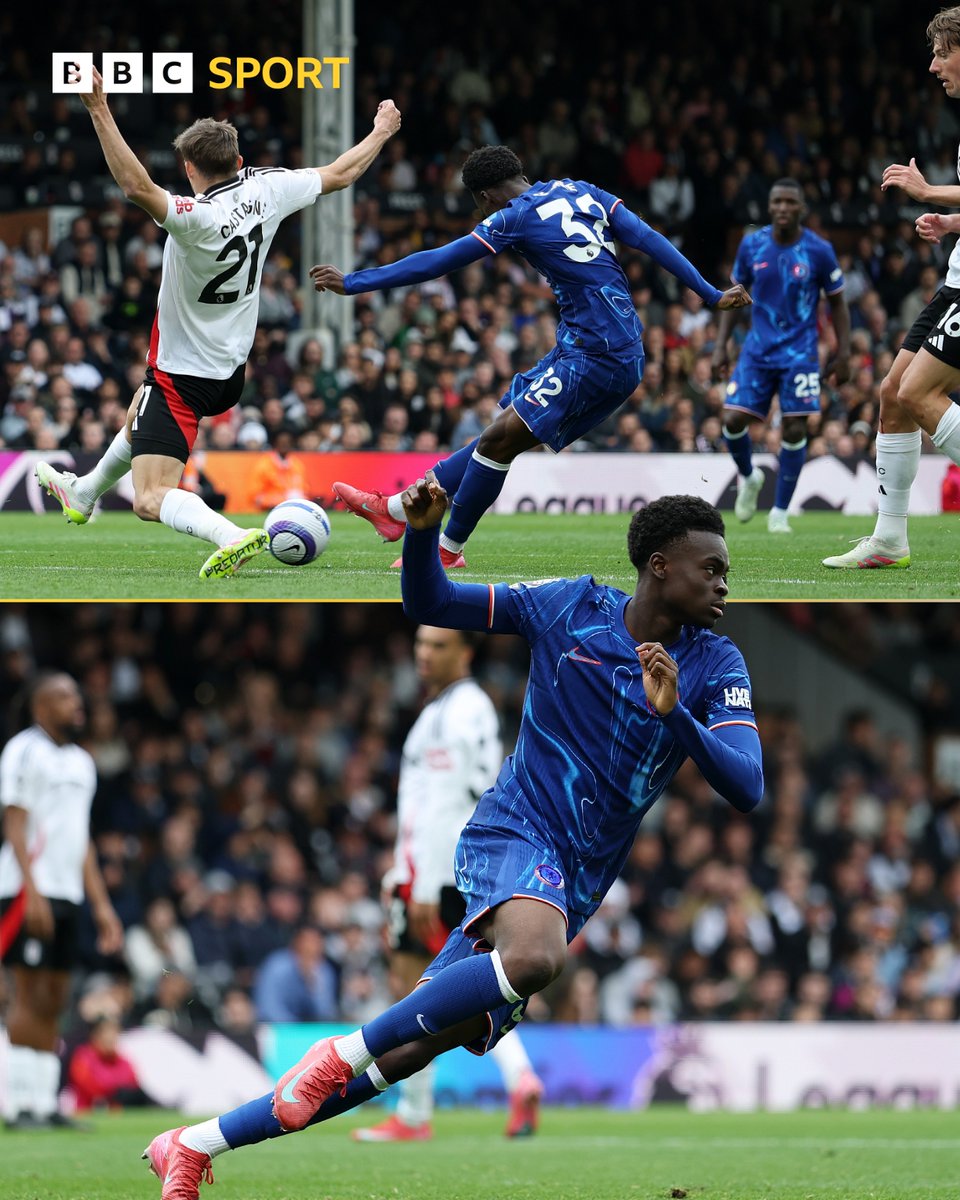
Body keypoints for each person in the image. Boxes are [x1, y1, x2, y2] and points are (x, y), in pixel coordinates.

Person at [142, 486, 763, 1198]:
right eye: (710, 568)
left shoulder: (717, 665)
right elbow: (431, 603)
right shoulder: (566, 606)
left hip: (581, 878)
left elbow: (746, 785)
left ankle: (193, 1143)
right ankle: (339, 1050)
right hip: (516, 829)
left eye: (724, 571)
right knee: (531, 959)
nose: (723, 583)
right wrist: (422, 534)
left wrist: (678, 713)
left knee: (409, 1049)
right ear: (659, 567)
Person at [35, 66, 400, 581]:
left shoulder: (194, 216)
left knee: (148, 497)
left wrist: (98, 107)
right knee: (140, 410)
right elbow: (342, 172)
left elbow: (136, 185)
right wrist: (382, 130)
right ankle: (84, 491)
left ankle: (230, 535)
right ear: (239, 161)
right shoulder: (271, 189)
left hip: (182, 374)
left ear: (188, 168)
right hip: (231, 370)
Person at [312, 144, 750, 569]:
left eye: (478, 205)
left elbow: (438, 261)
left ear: (484, 197)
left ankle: (445, 549)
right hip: (598, 345)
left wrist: (354, 282)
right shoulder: (583, 191)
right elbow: (649, 239)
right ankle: (392, 510)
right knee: (500, 432)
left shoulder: (512, 217)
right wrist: (709, 294)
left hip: (599, 354)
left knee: (498, 442)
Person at [353, 624, 543, 1143]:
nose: (424, 655)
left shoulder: (457, 711)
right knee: (456, 993)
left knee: (419, 993)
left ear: (466, 650)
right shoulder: (452, 710)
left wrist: (423, 882)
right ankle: (518, 1078)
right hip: (445, 870)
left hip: (441, 875)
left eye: (438, 645)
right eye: (419, 644)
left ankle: (414, 1116)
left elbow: (453, 803)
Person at [823, 7, 960, 568]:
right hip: (955, 282)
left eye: (943, 53)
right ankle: (889, 539)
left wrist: (931, 195)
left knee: (918, 394)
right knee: (891, 395)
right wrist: (951, 223)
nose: (933, 66)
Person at [0, 672, 124, 1129]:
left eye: (76, 694)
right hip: (25, 889)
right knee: (28, 994)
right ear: (40, 707)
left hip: (69, 892)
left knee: (55, 997)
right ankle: (21, 1106)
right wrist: (30, 892)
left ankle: (48, 1105)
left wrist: (102, 905)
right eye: (63, 696)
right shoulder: (23, 750)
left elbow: (81, 841)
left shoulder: (81, 762)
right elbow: (14, 824)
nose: (77, 702)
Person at [712, 179, 850, 534]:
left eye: (791, 202)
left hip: (800, 353)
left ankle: (780, 512)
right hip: (757, 351)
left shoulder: (818, 250)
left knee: (794, 426)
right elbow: (734, 297)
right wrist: (721, 345)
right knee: (731, 422)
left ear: (801, 208)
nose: (783, 208)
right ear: (770, 207)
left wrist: (843, 351)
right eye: (778, 202)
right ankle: (749, 476)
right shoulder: (752, 244)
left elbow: (837, 302)